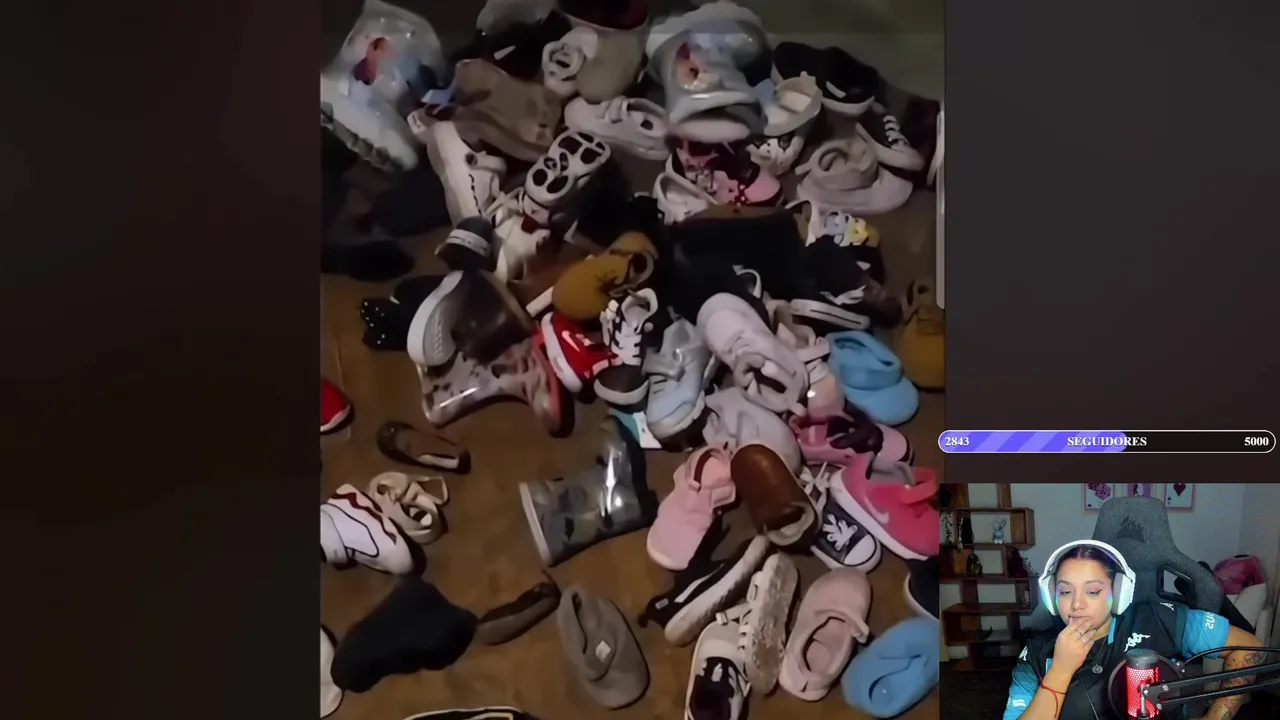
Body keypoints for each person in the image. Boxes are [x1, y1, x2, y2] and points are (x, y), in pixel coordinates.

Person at [1003, 540, 1267, 720]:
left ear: (1119, 592)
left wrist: (1215, 716)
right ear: (1051, 596)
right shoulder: (1037, 652)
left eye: (1093, 591)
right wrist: (1060, 670)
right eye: (1065, 592)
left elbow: (1249, 648)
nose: (1076, 604)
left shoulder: (1160, 620)